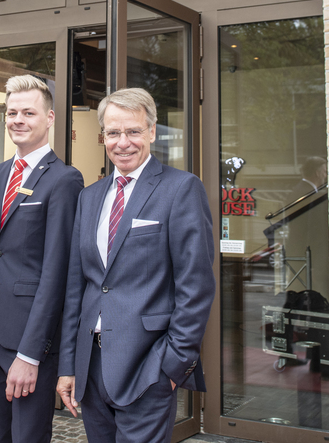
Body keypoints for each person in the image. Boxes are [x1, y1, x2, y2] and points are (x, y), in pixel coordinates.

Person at [56, 87, 215, 443]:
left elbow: (196, 286)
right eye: (113, 133)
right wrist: (68, 365)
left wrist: (173, 367)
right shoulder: (89, 197)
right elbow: (77, 287)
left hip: (148, 367)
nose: (122, 142)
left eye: (133, 131)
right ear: (102, 137)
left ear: (152, 132)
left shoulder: (181, 189)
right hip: (91, 367)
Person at [0, 75, 84, 443]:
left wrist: (31, 354)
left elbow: (58, 273)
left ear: (50, 118)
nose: (17, 120)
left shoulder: (65, 180)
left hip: (28, 341)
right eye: (11, 112)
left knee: (28, 437)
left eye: (28, 113)